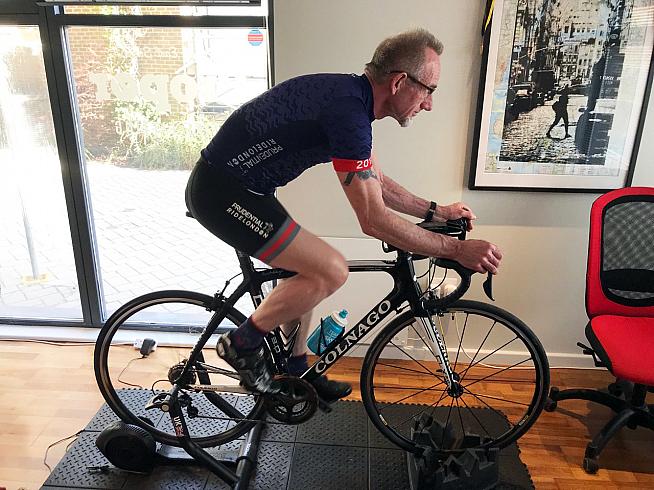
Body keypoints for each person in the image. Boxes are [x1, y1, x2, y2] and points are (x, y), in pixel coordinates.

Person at [185, 28, 503, 402]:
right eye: (429, 90)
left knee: (305, 269)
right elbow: (374, 220)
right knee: (331, 269)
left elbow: (377, 183)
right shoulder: (348, 113)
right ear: (400, 81)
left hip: (246, 190)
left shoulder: (353, 102)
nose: (429, 103)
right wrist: (454, 249)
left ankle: (296, 367)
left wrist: (437, 210)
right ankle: (241, 343)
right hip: (221, 193)